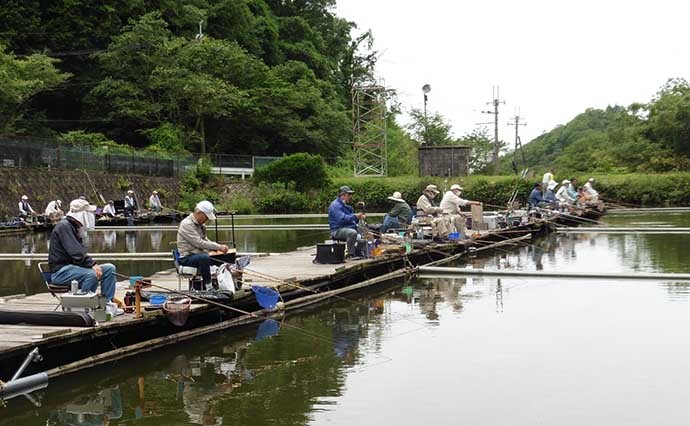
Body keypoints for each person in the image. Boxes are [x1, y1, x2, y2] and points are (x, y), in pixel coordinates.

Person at [48, 199, 122, 315]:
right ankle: (85, 308)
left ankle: (106, 305)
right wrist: (92, 264)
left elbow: (80, 254)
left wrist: (91, 264)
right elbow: (76, 252)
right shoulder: (64, 226)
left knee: (109, 269)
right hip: (61, 271)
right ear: (82, 214)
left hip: (73, 268)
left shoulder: (74, 227)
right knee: (91, 274)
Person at [176, 200, 230, 289]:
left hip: (198, 254)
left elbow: (206, 240)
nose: (207, 219)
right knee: (204, 257)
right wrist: (218, 247)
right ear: (199, 213)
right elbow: (199, 243)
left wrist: (217, 248)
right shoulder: (186, 224)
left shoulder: (201, 225)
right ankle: (208, 286)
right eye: (206, 217)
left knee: (223, 256)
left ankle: (224, 283)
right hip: (187, 257)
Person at [328, 186, 365, 257]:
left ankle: (358, 252)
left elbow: (352, 221)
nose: (351, 197)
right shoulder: (335, 205)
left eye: (351, 195)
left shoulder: (348, 207)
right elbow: (342, 219)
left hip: (347, 228)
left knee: (364, 237)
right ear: (342, 195)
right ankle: (351, 254)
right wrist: (355, 216)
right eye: (349, 195)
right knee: (352, 233)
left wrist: (359, 218)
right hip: (337, 230)